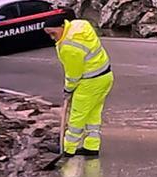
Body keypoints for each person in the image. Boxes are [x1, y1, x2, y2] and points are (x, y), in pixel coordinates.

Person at [44, 17, 113, 157]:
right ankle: (91, 146)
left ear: (62, 26)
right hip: (105, 76)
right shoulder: (80, 25)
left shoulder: (68, 47)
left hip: (90, 82)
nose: (52, 38)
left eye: (53, 33)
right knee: (92, 115)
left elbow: (73, 74)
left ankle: (67, 149)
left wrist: (68, 90)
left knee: (77, 116)